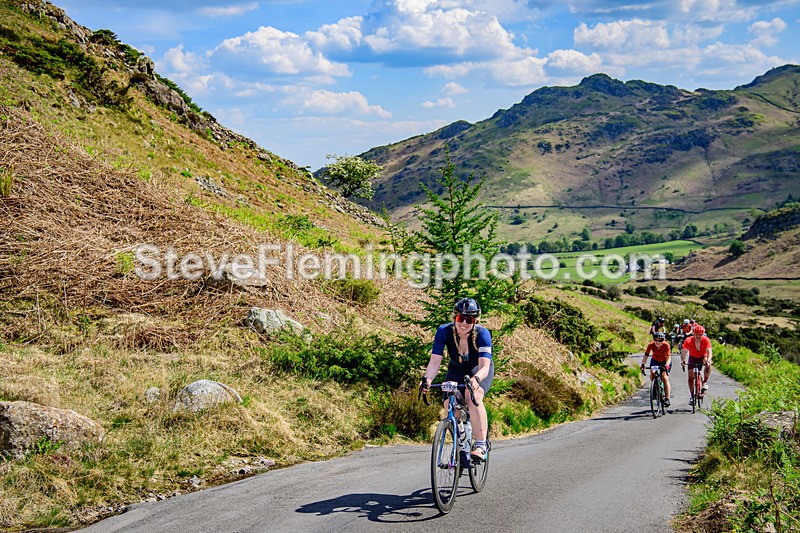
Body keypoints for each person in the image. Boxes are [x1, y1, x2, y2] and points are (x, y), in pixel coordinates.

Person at [421, 298, 493, 461]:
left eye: (470, 320)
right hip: (456, 368)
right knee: (448, 401)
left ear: (476, 321)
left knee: (472, 395)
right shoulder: (444, 331)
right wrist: (428, 379)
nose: (465, 323)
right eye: (461, 318)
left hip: (478, 369)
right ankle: (461, 438)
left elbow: (485, 367)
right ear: (455, 318)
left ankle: (481, 445)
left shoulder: (483, 334)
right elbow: (434, 362)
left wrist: (476, 379)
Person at [680, 324, 713, 405]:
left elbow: (709, 351)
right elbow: (684, 351)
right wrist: (683, 360)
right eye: (696, 335)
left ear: (703, 334)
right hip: (693, 357)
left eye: (700, 335)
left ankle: (704, 382)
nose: (698, 337)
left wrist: (708, 360)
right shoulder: (688, 340)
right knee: (690, 377)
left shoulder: (706, 340)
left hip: (702, 356)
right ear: (693, 333)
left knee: (708, 364)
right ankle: (692, 395)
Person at [641, 332, 672, 407]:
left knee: (664, 377)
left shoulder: (666, 345)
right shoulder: (650, 345)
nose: (658, 342)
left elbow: (668, 357)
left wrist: (667, 365)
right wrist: (643, 364)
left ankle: (667, 398)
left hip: (665, 361)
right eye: (656, 340)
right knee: (652, 373)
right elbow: (646, 356)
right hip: (655, 360)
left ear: (663, 340)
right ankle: (654, 386)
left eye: (660, 340)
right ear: (654, 340)